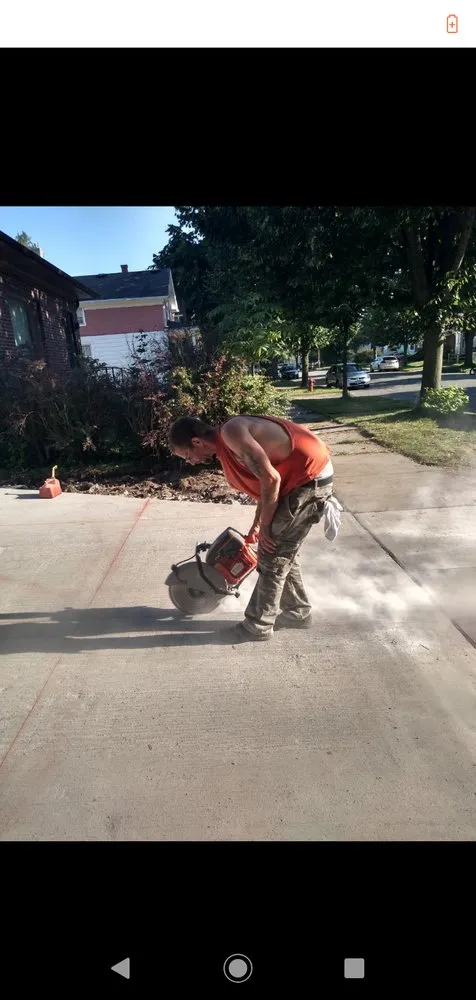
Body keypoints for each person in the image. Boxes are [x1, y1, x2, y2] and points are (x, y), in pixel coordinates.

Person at [168, 413, 342, 643]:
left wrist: (267, 526)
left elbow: (271, 480)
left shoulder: (231, 433)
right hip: (300, 480)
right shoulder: (226, 446)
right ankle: (297, 612)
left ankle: (257, 626)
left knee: (272, 554)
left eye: (187, 455)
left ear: (197, 441)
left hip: (310, 480)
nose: (189, 462)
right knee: (281, 549)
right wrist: (258, 526)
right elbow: (266, 483)